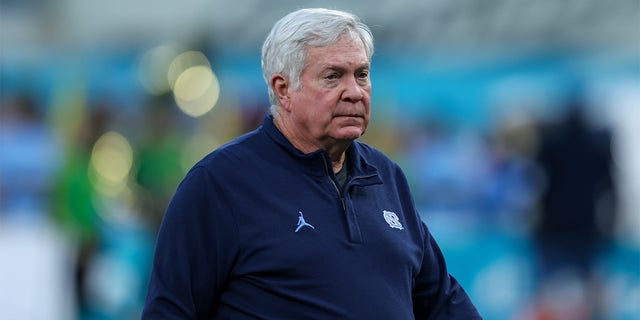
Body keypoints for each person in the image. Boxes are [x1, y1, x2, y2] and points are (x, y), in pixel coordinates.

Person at [142, 8, 481, 319]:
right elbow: (171, 312)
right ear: (284, 89)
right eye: (333, 76)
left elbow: (442, 303)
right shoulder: (219, 184)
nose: (354, 92)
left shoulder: (386, 177)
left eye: (361, 74)